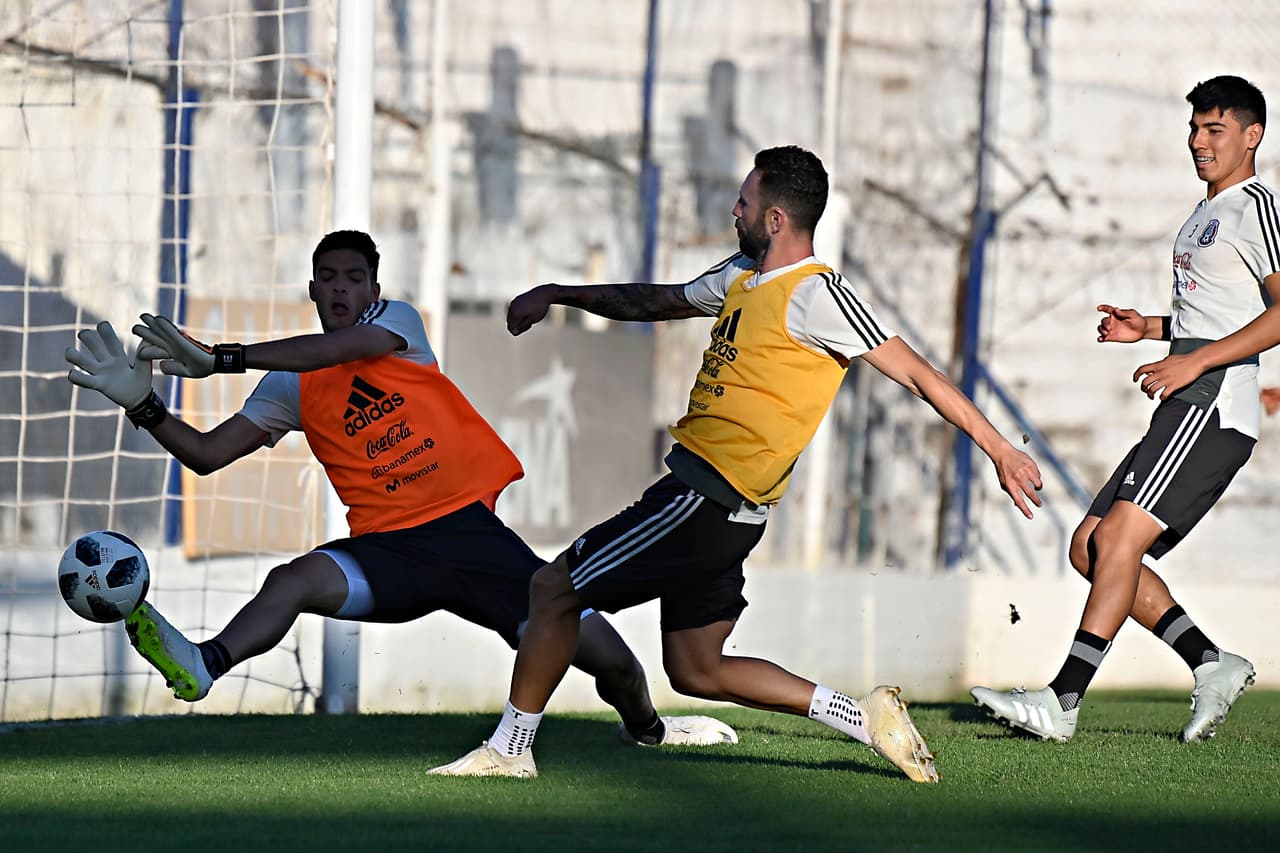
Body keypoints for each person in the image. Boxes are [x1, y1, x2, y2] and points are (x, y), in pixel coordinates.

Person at [428, 146, 1044, 784]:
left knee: (553, 588)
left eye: (745, 202)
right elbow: (655, 302)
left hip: (705, 500)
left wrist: (998, 447)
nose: (735, 210)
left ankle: (510, 749)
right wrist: (562, 294)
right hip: (725, 510)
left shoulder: (817, 294)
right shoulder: (742, 278)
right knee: (697, 669)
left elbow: (917, 373)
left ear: (776, 218)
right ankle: (862, 719)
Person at [63, 229, 738, 753]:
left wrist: (223, 358)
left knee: (612, 660)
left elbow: (339, 350)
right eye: (327, 279)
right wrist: (143, 404)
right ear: (312, 288)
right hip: (391, 555)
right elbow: (209, 455)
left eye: (352, 278)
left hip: (472, 541)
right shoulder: (290, 384)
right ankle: (204, 663)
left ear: (373, 288)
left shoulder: (400, 327)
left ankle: (648, 728)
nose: (339, 289)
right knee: (292, 579)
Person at [972, 75, 1276, 742]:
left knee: (1116, 540)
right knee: (1090, 544)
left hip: (1213, 402)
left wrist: (1195, 360)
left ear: (1252, 136)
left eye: (1214, 129)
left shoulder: (1255, 207)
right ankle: (1210, 660)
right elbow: (1216, 312)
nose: (1197, 141)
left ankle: (1063, 700)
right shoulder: (1208, 211)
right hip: (1188, 399)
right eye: (1194, 128)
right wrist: (1152, 328)